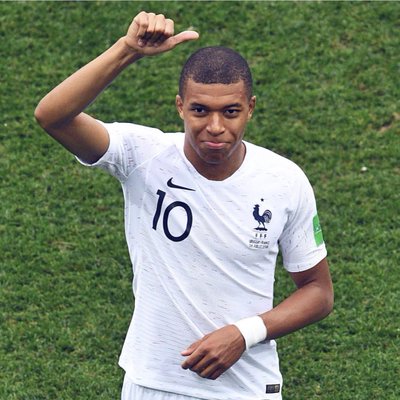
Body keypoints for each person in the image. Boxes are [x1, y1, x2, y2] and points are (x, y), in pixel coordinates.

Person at [35, 11, 334, 400]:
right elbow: (52, 116)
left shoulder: (284, 181)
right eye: (200, 110)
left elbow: (318, 292)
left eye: (230, 111)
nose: (215, 126)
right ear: (180, 106)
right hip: (153, 385)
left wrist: (244, 334)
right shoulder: (143, 156)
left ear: (250, 108)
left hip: (246, 390)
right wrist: (127, 50)